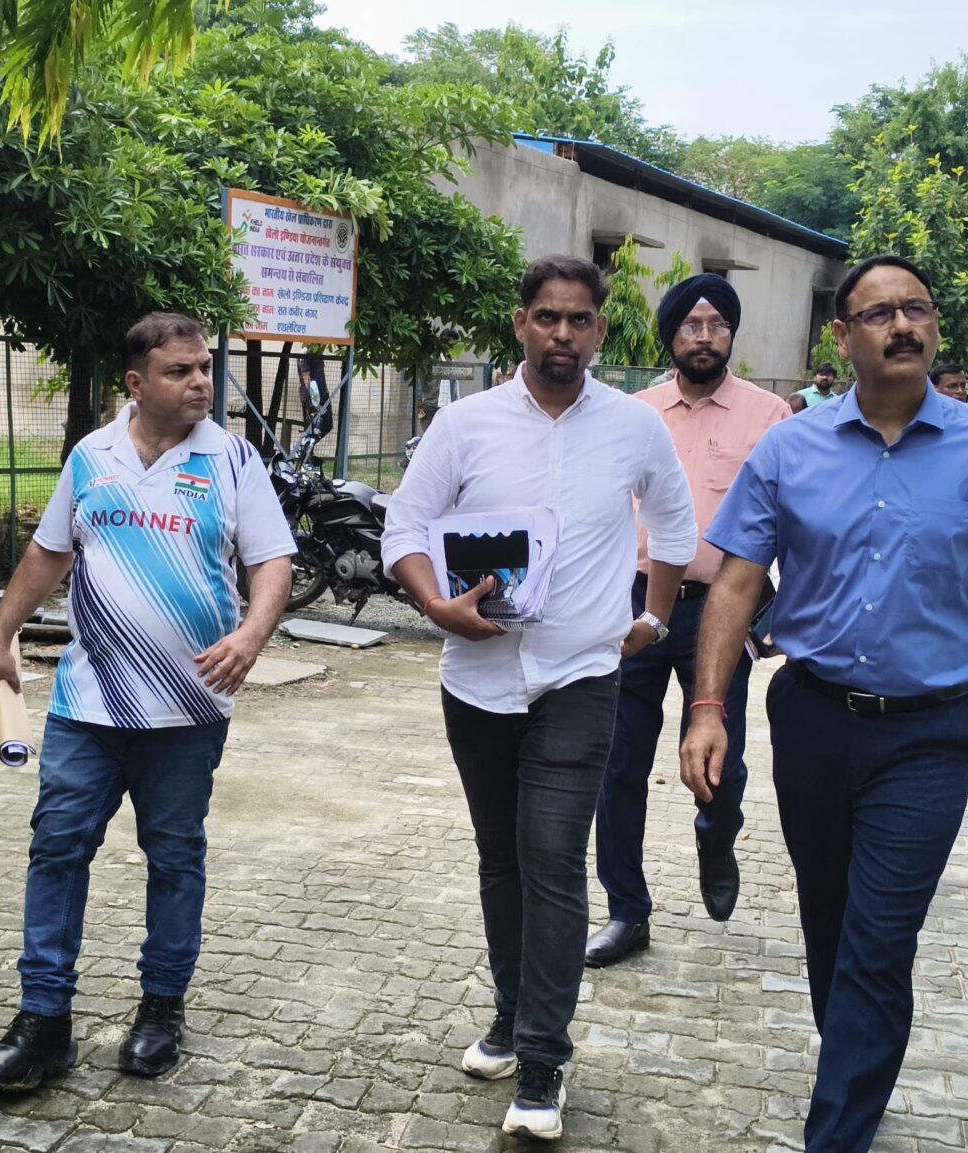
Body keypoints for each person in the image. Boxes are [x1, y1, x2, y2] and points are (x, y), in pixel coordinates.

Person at [680, 254, 968, 1153]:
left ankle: (837, 1130)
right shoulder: (790, 448)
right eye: (880, 313)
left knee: (879, 937)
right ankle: (857, 1066)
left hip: (929, 735)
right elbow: (736, 582)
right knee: (829, 921)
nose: (903, 326)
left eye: (917, 309)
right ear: (842, 336)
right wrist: (707, 707)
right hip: (812, 718)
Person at [382, 255, 695, 1141]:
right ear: (521, 323)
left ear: (600, 330)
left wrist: (654, 616)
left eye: (579, 319)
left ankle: (544, 1058)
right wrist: (433, 603)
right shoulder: (464, 424)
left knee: (552, 856)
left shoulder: (634, 427)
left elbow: (675, 527)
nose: (563, 333)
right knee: (501, 857)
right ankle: (511, 1013)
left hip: (581, 675)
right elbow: (404, 527)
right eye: (548, 317)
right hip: (477, 681)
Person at [0, 312, 296, 1088]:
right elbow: (48, 552)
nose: (200, 382)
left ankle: (160, 1010)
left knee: (175, 856)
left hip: (189, 708)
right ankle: (44, 1021)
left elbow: (272, 560)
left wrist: (251, 636)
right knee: (57, 849)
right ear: (136, 383)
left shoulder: (232, 459)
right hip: (89, 703)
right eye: (180, 371)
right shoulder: (92, 456)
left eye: (204, 367)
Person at [586, 274, 791, 968]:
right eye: (690, 325)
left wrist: (777, 614)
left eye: (717, 325)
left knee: (719, 761)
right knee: (618, 762)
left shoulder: (769, 417)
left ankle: (717, 832)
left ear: (732, 334)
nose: (704, 337)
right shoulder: (634, 413)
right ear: (670, 336)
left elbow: (794, 520)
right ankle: (626, 910)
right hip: (633, 603)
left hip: (722, 610)